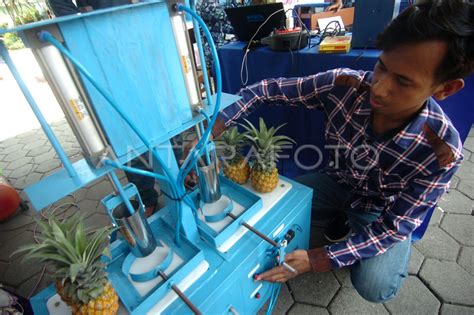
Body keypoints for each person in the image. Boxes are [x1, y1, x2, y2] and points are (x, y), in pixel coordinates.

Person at [200, 0, 473, 302]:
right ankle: (339, 217)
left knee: (376, 285)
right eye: (382, 66)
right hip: (335, 181)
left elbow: (395, 227)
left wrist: (318, 258)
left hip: (380, 210)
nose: (379, 89)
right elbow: (268, 89)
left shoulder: (442, 152)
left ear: (445, 89)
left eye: (404, 82)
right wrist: (222, 121)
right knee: (268, 204)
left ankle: (351, 228)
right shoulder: (344, 84)